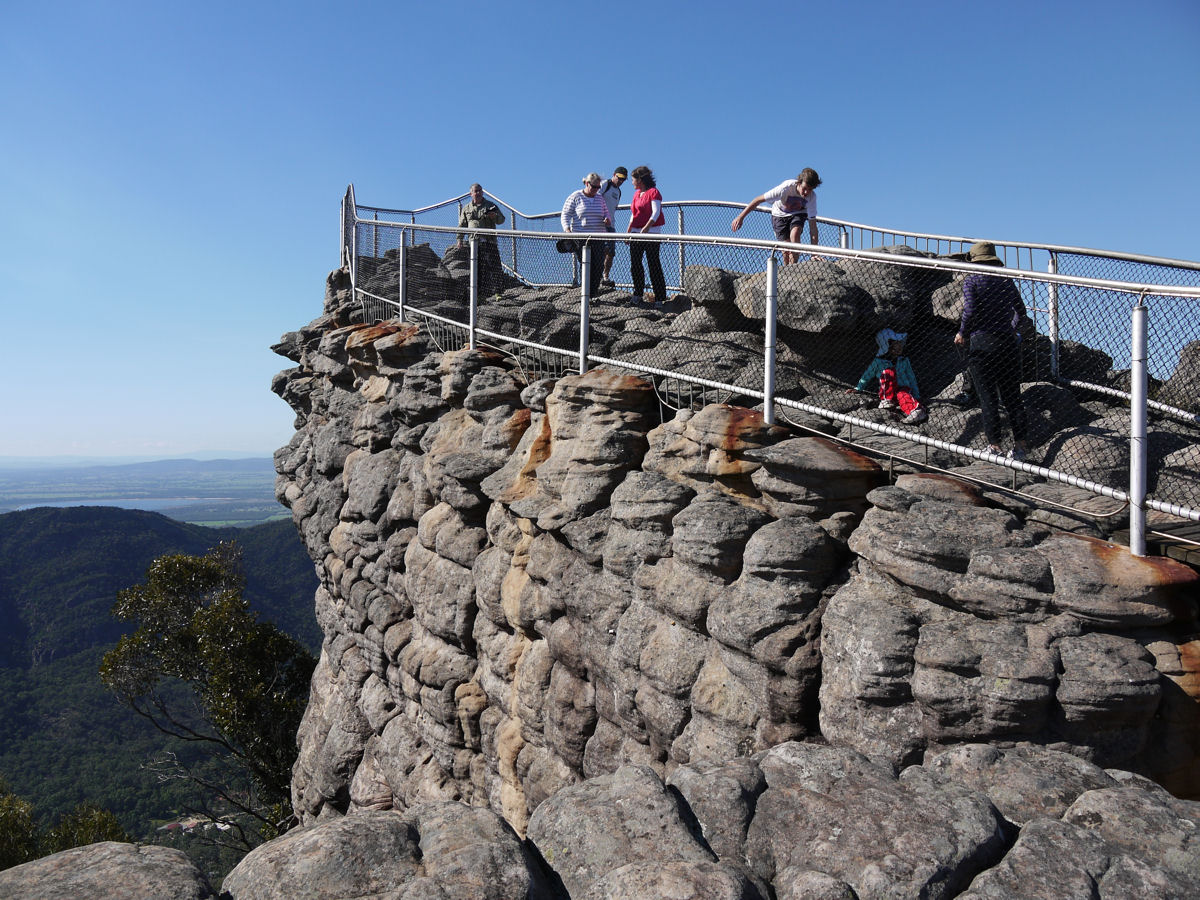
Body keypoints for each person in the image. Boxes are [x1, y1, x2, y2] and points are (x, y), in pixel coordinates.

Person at [955, 241, 1030, 460]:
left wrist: (963, 333)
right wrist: (1012, 330)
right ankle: (1021, 447)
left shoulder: (972, 281)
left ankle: (995, 446)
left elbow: (969, 311)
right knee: (1012, 397)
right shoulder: (1006, 281)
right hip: (1007, 342)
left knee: (988, 398)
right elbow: (1021, 311)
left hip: (982, 343)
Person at [730, 168, 822, 265]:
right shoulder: (785, 188)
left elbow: (813, 227)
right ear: (799, 183)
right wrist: (741, 217)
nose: (806, 193)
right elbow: (758, 200)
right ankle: (786, 269)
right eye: (804, 188)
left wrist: (814, 253)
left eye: (810, 190)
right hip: (779, 215)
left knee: (795, 234)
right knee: (786, 248)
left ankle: (793, 268)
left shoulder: (811, 198)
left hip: (798, 213)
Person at [850, 329, 928, 424]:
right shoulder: (878, 362)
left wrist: (916, 395)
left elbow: (911, 378)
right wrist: (858, 388)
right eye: (896, 344)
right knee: (888, 372)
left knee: (903, 395)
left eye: (900, 343)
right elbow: (867, 375)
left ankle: (916, 411)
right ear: (887, 345)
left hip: (902, 389)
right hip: (887, 392)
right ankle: (887, 400)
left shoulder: (904, 360)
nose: (900, 347)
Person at [561, 173, 613, 297]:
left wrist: (607, 219)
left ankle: (593, 293)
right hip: (581, 238)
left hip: (598, 237)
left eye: (598, 187)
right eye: (594, 187)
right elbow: (565, 214)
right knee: (585, 264)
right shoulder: (575, 196)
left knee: (598, 265)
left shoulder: (600, 198)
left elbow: (607, 213)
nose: (596, 189)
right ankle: (585, 294)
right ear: (586, 183)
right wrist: (567, 230)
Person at [625, 165, 667, 304]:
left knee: (653, 263)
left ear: (640, 180)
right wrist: (629, 231)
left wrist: (647, 227)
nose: (632, 182)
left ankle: (660, 297)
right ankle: (637, 294)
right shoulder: (636, 194)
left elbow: (655, 212)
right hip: (637, 233)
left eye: (633, 179)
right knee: (635, 264)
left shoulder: (653, 192)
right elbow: (634, 214)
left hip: (652, 234)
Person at [457, 183, 506, 295]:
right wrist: (459, 239)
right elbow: (462, 225)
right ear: (471, 194)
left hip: (489, 242)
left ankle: (499, 293)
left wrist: (494, 217)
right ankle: (478, 295)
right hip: (473, 243)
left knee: (494, 268)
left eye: (480, 190)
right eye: (476, 191)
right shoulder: (466, 208)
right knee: (476, 269)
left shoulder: (490, 205)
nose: (478, 193)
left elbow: (501, 220)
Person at [598, 166, 627, 286]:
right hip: (600, 223)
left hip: (611, 224)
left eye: (623, 179)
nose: (620, 181)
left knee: (611, 252)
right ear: (614, 174)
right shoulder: (605, 184)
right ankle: (597, 274)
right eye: (619, 178)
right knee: (601, 249)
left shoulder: (618, 192)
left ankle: (606, 276)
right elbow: (596, 197)